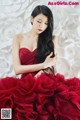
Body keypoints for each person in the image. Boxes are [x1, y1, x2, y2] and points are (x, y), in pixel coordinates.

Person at [0, 5, 80, 120]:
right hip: (24, 84)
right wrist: (43, 65)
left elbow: (52, 66)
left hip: (45, 83)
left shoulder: (52, 39)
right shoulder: (18, 38)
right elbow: (17, 69)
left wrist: (43, 71)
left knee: (60, 110)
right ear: (31, 19)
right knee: (6, 111)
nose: (42, 26)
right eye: (39, 21)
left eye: (46, 23)